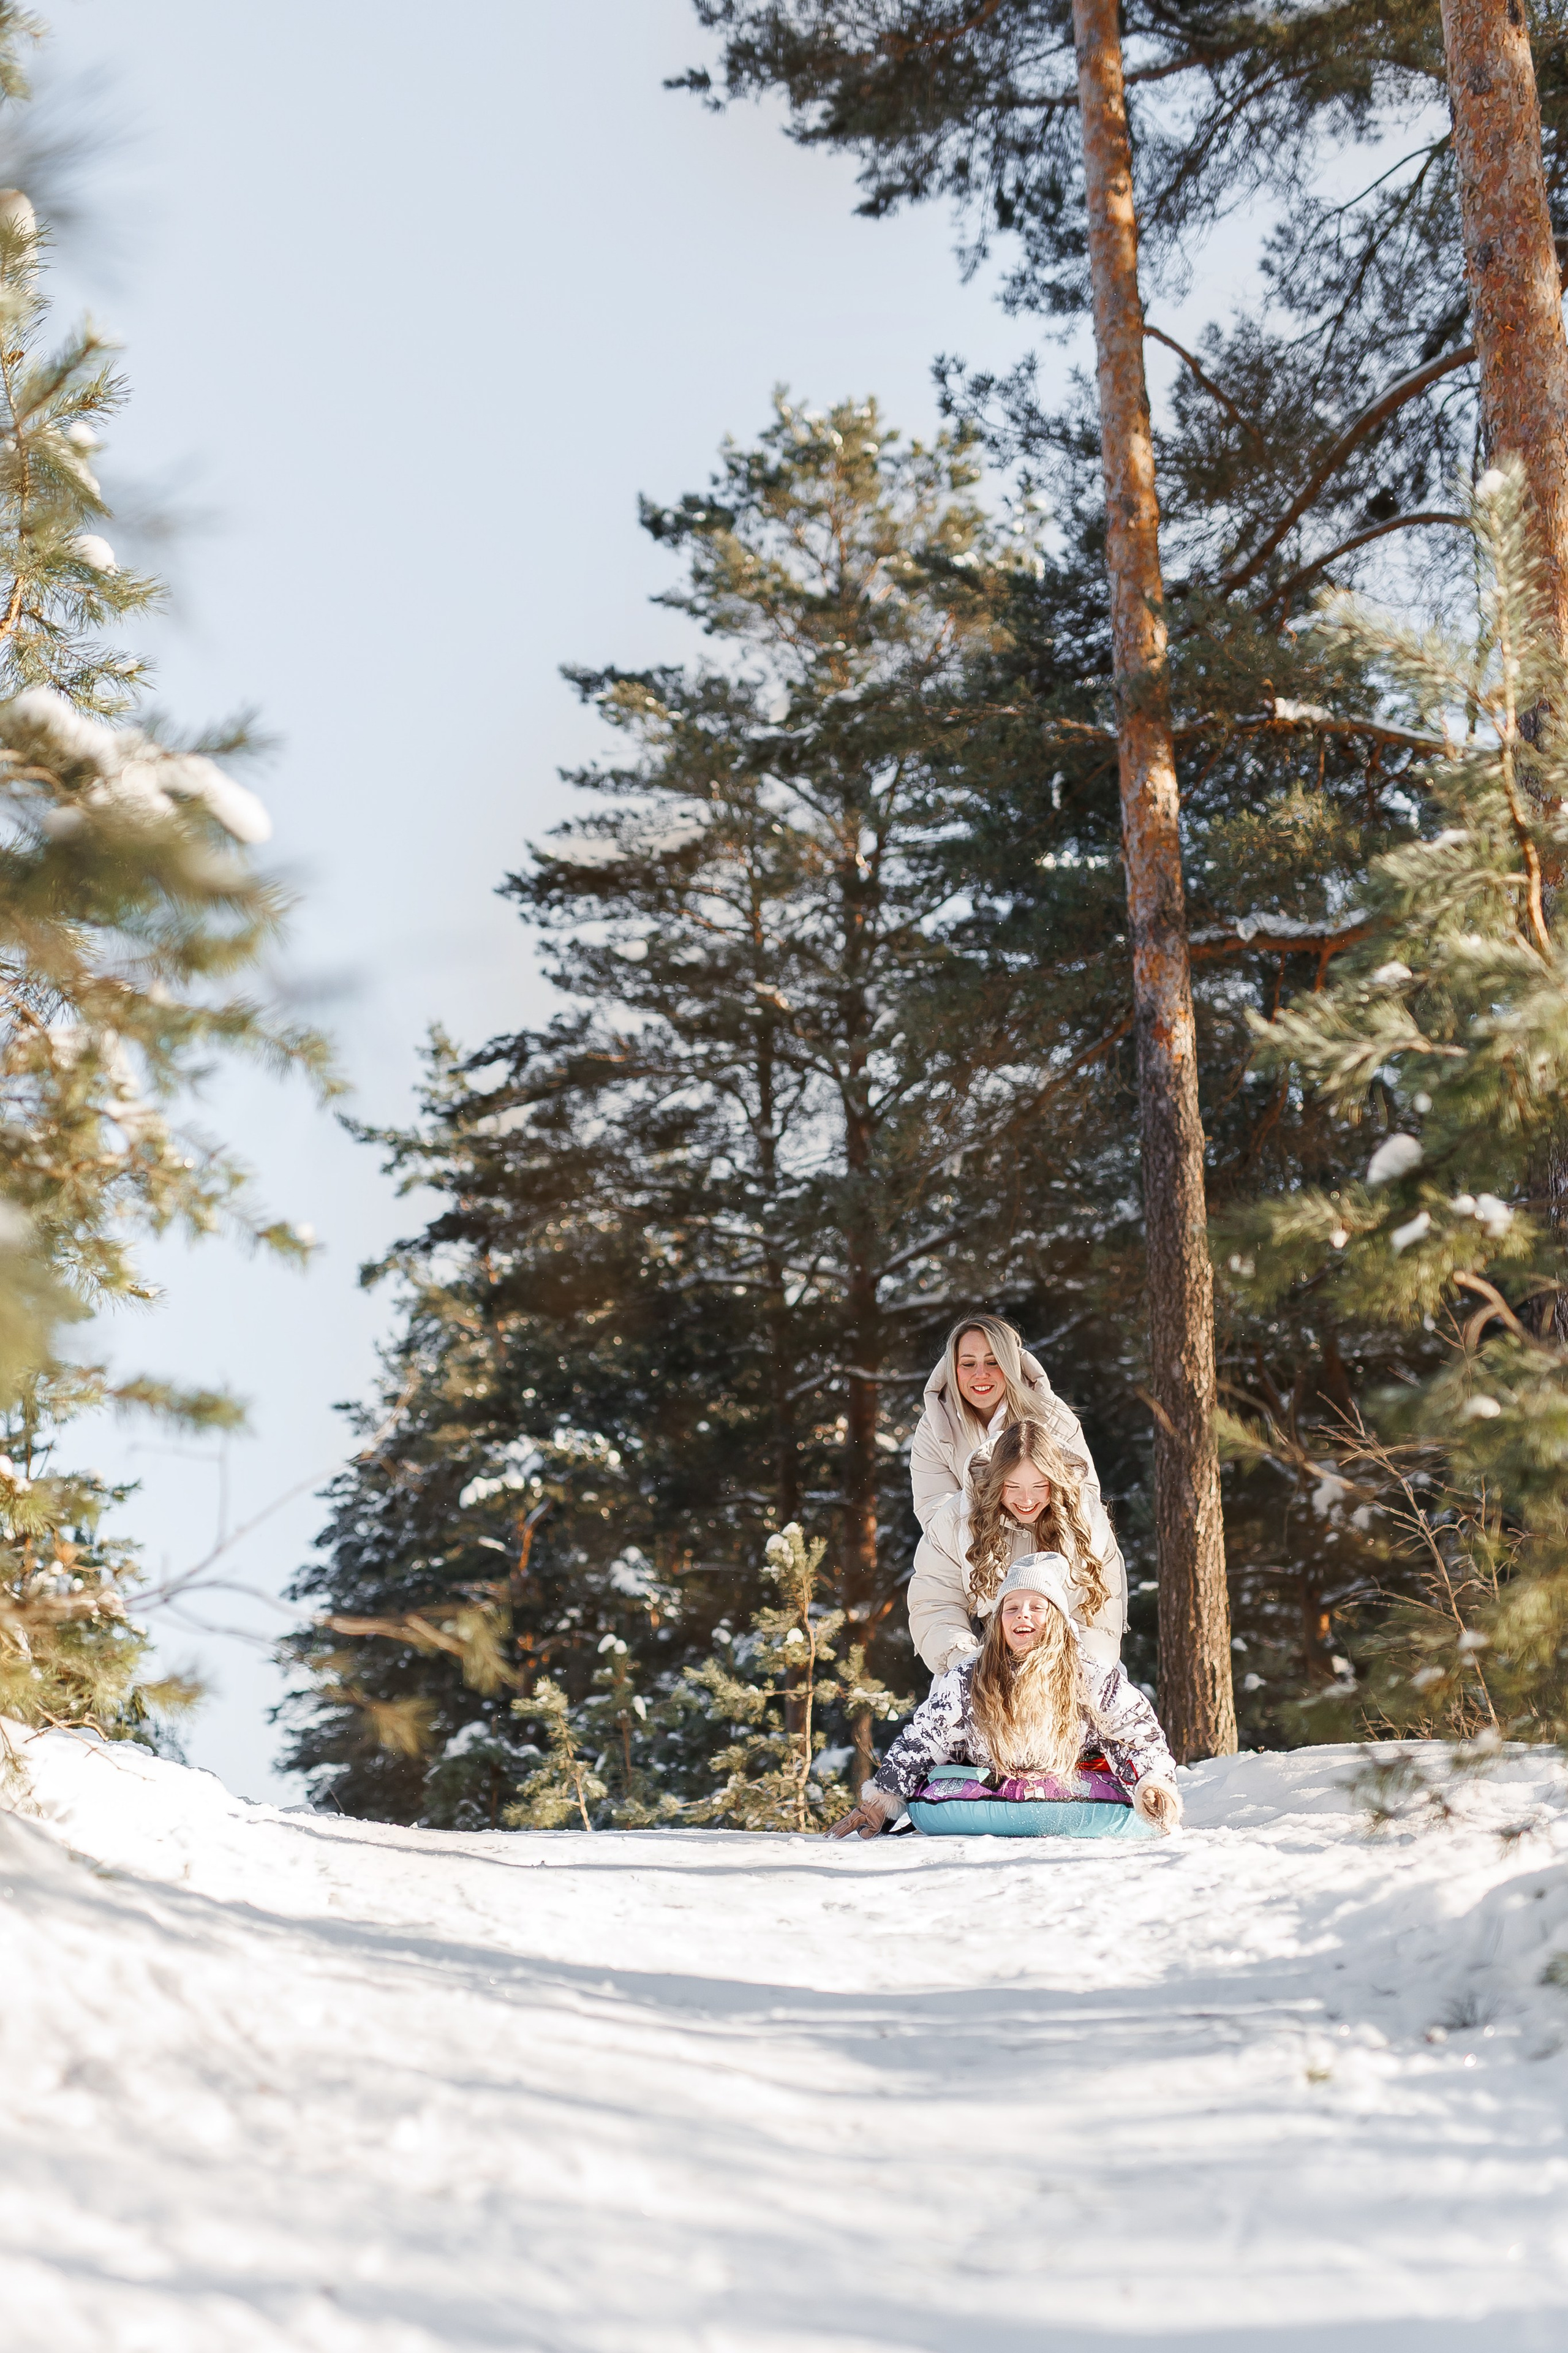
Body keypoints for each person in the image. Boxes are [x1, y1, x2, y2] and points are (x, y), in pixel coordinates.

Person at [831, 1554, 1181, 1839]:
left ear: (1057, 1620)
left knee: (1120, 1766)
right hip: (989, 1779)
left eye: (1036, 1607)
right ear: (999, 1621)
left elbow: (1137, 1732)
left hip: (1069, 1780)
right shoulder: (972, 1675)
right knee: (933, 1785)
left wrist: (1153, 1785)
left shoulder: (1087, 1674)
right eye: (1011, 1608)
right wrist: (883, 1798)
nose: (1022, 1614)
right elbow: (926, 1737)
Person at [908, 1416, 1127, 1674]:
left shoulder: (1088, 1522)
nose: (1026, 1499)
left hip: (1072, 1668)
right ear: (995, 1483)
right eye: (1012, 1486)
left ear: (1055, 1482)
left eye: (1039, 1486)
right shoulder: (956, 1520)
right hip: (985, 1663)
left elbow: (1101, 1615)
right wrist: (965, 1661)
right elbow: (936, 1602)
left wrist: (1078, 1668)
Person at [910, 1315, 1110, 1533]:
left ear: (1010, 1364)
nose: (980, 1374)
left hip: (1048, 1554)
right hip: (971, 1556)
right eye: (968, 1364)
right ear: (953, 1370)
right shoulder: (934, 1425)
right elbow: (934, 1512)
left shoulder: (1051, 1415)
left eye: (993, 1362)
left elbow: (1083, 1500)